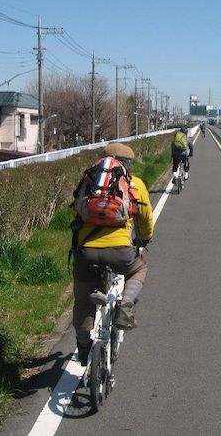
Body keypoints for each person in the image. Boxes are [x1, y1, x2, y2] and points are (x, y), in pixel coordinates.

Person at [71, 142, 154, 365]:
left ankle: (83, 344)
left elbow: (75, 214)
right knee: (139, 269)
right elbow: (145, 219)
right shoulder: (135, 184)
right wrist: (144, 239)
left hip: (86, 252)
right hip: (120, 252)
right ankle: (125, 307)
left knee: (82, 300)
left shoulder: (90, 183)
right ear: (128, 164)